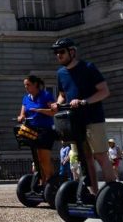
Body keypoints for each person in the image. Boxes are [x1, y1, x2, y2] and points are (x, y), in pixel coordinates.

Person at [51, 37, 115, 198]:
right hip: (74, 121)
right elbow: (62, 95)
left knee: (100, 155)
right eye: (56, 53)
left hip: (93, 119)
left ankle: (112, 191)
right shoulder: (61, 73)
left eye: (61, 52)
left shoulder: (88, 68)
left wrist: (84, 101)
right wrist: (57, 104)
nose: (58, 55)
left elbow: (104, 91)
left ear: (72, 52)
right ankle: (94, 194)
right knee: (84, 158)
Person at [16, 74, 57, 186]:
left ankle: (51, 181)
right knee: (37, 158)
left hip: (45, 130)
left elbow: (53, 112)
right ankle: (42, 182)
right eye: (25, 85)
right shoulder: (26, 98)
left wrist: (39, 110)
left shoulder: (45, 95)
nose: (26, 87)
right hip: (32, 131)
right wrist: (21, 117)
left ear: (35, 84)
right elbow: (22, 114)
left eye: (28, 85)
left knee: (44, 158)